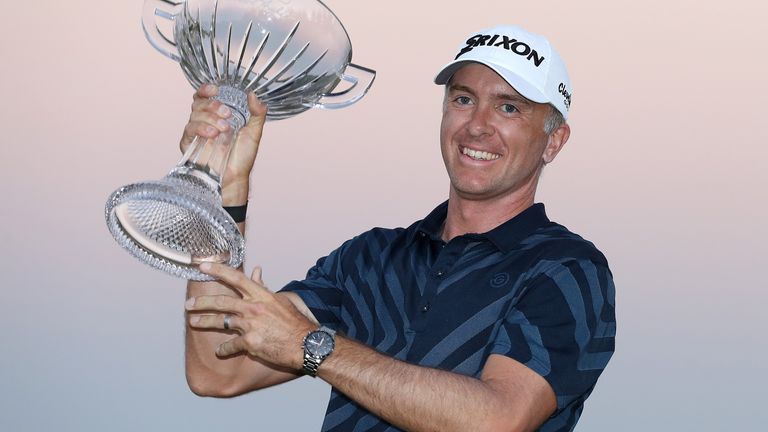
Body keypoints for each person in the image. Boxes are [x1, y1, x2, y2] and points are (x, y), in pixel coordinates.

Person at [181, 24, 616, 432]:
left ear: (554, 141)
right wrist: (221, 189)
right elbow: (216, 371)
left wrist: (311, 345)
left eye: (508, 107)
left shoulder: (567, 269)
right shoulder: (369, 258)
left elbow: (497, 419)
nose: (478, 125)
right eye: (463, 99)